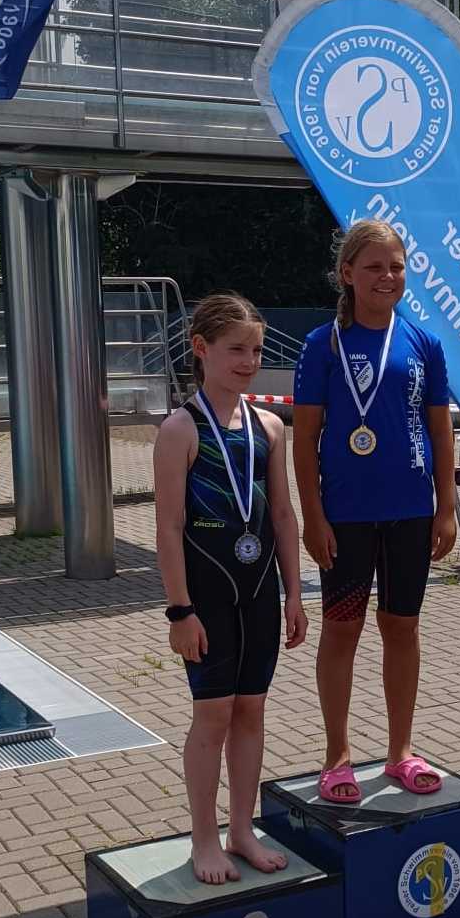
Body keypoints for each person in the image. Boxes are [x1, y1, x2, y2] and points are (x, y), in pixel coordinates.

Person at [293, 219, 456, 803]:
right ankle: (336, 756)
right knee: (342, 630)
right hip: (347, 515)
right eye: (374, 267)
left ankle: (400, 751)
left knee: (402, 627)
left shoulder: (424, 343)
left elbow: (441, 431)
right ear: (347, 274)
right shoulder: (322, 345)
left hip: (411, 511)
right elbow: (304, 440)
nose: (387, 277)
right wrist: (313, 516)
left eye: (396, 266)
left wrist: (446, 508)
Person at [154, 293, 308, 884]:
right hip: (207, 598)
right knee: (213, 714)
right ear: (202, 349)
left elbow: (283, 517)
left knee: (251, 710)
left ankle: (242, 829)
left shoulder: (269, 426)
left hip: (259, 593)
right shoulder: (180, 428)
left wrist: (295, 593)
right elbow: (168, 527)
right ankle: (204, 839)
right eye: (236, 350)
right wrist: (179, 610)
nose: (249, 362)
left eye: (257, 351)